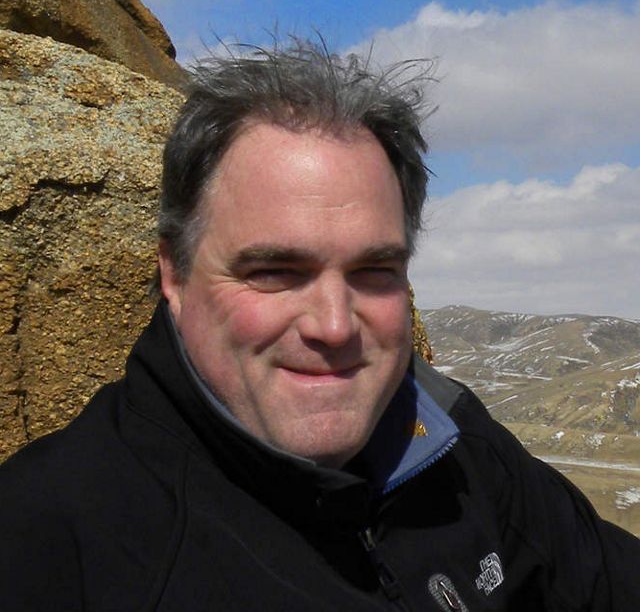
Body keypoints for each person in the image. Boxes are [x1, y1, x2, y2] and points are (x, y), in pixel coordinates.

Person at [1, 38, 639, 612]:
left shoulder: (451, 440)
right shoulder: (51, 547)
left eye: (374, 270)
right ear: (175, 273)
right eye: (275, 271)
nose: (335, 327)